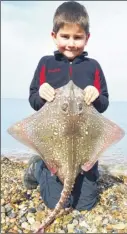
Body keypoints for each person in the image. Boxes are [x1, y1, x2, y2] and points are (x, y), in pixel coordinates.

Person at [23, 1, 109, 211]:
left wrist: (96, 95)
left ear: (86, 39)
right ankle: (38, 168)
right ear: (54, 36)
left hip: (83, 146)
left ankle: (88, 173)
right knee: (56, 204)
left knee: (85, 205)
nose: (71, 43)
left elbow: (104, 104)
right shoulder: (46, 64)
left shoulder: (93, 67)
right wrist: (41, 93)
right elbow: (34, 101)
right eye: (65, 36)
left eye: (77, 37)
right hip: (55, 145)